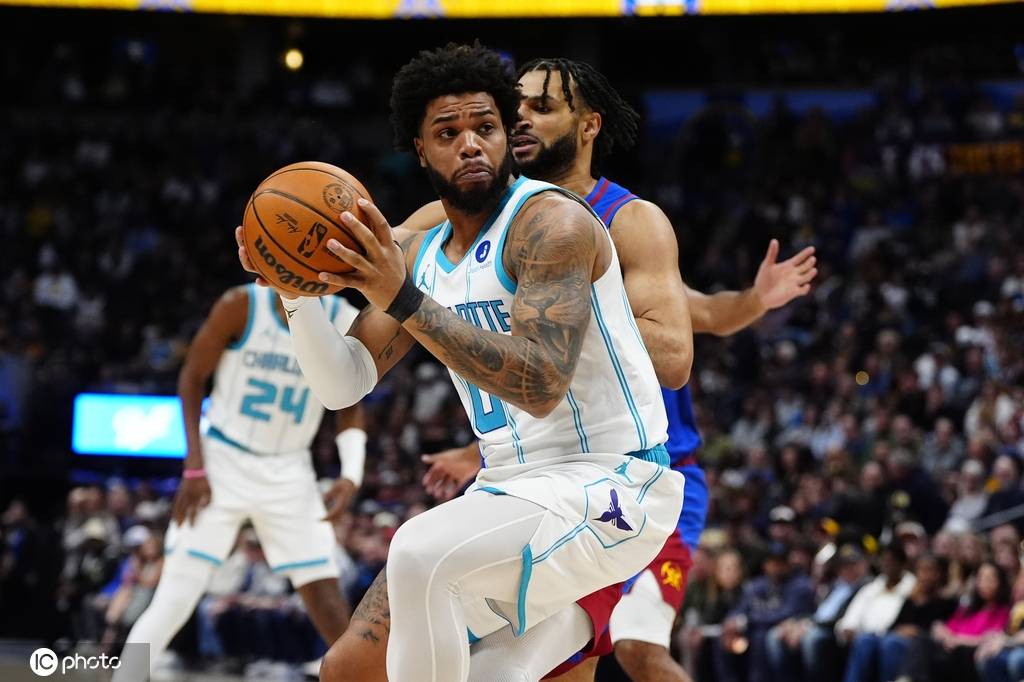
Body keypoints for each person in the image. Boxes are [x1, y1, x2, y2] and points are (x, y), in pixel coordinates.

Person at [236, 42, 687, 682]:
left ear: (507, 136)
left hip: (611, 483)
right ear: (420, 149)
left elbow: (539, 384)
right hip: (508, 489)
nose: (470, 144)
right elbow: (344, 384)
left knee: (419, 551)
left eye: (486, 127)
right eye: (448, 133)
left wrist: (403, 298)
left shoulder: (552, 224)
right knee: (351, 669)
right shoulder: (421, 252)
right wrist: (296, 294)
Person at [417, 56, 817, 682]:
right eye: (514, 107)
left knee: (636, 647)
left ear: (588, 125)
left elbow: (695, 327)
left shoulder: (626, 220)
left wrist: (755, 301)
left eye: (542, 107)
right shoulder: (484, 215)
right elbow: (389, 244)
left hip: (643, 476)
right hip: (550, 475)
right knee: (555, 662)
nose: (520, 119)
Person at [114, 284, 365, 679]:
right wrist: (194, 466)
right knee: (174, 598)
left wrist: (352, 472)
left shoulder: (345, 317)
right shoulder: (241, 305)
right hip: (223, 460)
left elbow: (351, 402)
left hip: (289, 469)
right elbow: (192, 377)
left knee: (326, 599)